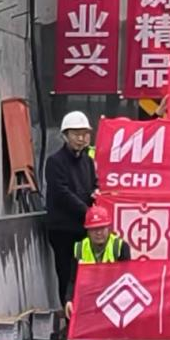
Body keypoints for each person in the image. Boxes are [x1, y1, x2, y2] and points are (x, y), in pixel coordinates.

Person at [45, 111, 97, 312]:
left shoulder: (88, 162)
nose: (81, 138)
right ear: (65, 136)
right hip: (63, 230)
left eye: (84, 134)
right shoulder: (55, 162)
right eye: (76, 134)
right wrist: (87, 211)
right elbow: (62, 193)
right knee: (66, 274)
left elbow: (93, 185)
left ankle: (83, 315)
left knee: (85, 274)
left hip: (84, 229)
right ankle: (69, 317)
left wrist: (97, 196)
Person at [65, 205, 131, 319]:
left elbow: (127, 279)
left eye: (102, 228)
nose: (99, 233)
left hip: (114, 301)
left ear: (109, 228)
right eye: (94, 229)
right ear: (88, 231)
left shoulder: (120, 247)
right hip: (88, 301)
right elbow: (73, 279)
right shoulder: (80, 248)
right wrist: (69, 300)